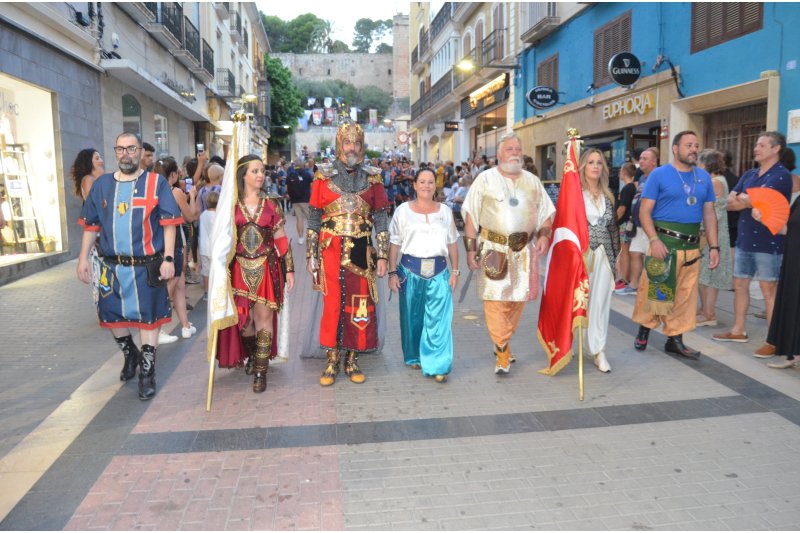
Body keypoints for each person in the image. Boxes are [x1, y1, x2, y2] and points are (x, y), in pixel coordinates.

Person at [76, 132, 183, 400]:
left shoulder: (156, 183)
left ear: (140, 152)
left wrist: (169, 258)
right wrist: (82, 259)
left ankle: (147, 371)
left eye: (131, 148)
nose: (126, 154)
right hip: (111, 266)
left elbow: (168, 223)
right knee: (111, 316)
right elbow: (91, 225)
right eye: (121, 149)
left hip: (147, 265)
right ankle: (131, 354)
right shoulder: (102, 185)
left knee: (148, 320)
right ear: (116, 152)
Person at [306, 119, 391, 386]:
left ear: (362, 145)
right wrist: (311, 255)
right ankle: (332, 359)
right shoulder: (323, 175)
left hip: (362, 250)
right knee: (332, 305)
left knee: (359, 304)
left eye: (356, 142)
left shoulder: (373, 176)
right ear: (339, 145)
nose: (352, 147)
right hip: (330, 249)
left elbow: (380, 218)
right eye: (347, 142)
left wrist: (384, 255)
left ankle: (352, 358)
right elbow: (314, 217)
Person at [462, 132, 555, 374]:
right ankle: (502, 351)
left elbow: (546, 212)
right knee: (495, 301)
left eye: (518, 149)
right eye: (509, 149)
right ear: (499, 154)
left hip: (524, 252)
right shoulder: (484, 180)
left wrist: (544, 234)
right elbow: (471, 215)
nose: (515, 152)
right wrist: (470, 250)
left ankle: (503, 341)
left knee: (517, 300)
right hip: (493, 249)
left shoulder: (532, 181)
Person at [633, 131, 719, 359]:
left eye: (696, 145)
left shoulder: (703, 177)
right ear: (675, 148)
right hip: (663, 244)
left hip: (691, 248)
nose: (694, 149)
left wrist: (714, 247)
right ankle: (645, 329)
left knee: (685, 296)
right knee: (658, 293)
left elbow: (709, 213)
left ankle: (675, 340)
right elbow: (645, 211)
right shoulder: (659, 175)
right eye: (689, 145)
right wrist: (654, 240)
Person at [215, 155, 295, 392]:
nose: (261, 175)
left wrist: (289, 269)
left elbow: (281, 239)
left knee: (264, 319)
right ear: (243, 176)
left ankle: (261, 370)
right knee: (243, 323)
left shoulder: (272, 205)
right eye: (255, 171)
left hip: (267, 269)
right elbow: (222, 240)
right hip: (238, 270)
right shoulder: (230, 206)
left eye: (262, 171)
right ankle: (253, 355)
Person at [713, 131, 793, 357]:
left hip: (770, 241)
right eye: (756, 144)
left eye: (761, 145)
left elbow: (756, 201)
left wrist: (745, 199)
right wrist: (746, 200)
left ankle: (775, 340)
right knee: (739, 284)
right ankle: (738, 329)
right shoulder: (750, 173)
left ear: (775, 149)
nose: (756, 148)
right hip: (746, 238)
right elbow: (730, 203)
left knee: (769, 290)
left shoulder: (781, 176)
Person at [388, 168, 459, 383]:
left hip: (439, 272)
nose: (426, 186)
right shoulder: (402, 211)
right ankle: (414, 356)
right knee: (412, 319)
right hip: (409, 272)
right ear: (415, 185)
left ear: (434, 185)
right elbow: (394, 244)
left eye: (430, 182)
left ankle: (438, 364)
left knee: (439, 320)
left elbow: (452, 242)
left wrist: (455, 271)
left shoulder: (445, 212)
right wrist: (392, 273)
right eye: (422, 182)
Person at [579, 149, 620, 373]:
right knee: (579, 302)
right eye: (591, 162)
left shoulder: (608, 195)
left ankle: (598, 348)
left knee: (600, 302)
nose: (595, 166)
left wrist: (616, 260)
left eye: (599, 163)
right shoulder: (574, 194)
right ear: (583, 166)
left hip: (604, 256)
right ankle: (572, 343)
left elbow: (613, 229)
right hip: (581, 256)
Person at [751, 200, 800, 369]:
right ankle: (794, 354)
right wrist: (762, 219)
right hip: (794, 262)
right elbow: (786, 229)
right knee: (793, 306)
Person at [155, 157, 198, 339]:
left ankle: (185, 325)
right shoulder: (175, 192)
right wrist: (193, 197)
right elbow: (191, 216)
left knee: (179, 285)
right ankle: (157, 329)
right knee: (169, 286)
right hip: (175, 242)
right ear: (172, 175)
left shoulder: (151, 191)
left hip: (157, 240)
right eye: (177, 173)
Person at [696, 149, 732, 327]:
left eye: (700, 162)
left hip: (713, 235)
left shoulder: (715, 182)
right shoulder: (715, 180)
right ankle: (705, 311)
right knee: (704, 275)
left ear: (707, 164)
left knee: (709, 276)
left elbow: (712, 212)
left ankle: (709, 314)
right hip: (710, 233)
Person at [619, 147, 660, 295]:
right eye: (640, 158)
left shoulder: (658, 177)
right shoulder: (642, 177)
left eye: (645, 159)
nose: (640, 161)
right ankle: (635, 285)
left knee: (646, 255)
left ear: (654, 162)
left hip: (649, 224)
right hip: (637, 223)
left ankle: (645, 286)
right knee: (635, 253)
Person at [70, 148, 105, 305]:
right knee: (100, 274)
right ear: (89, 162)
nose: (101, 160)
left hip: (100, 233)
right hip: (97, 234)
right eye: (97, 158)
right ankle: (101, 308)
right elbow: (98, 204)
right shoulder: (88, 179)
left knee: (103, 273)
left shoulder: (97, 178)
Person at [614, 162, 637, 292]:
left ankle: (624, 279)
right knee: (625, 252)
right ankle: (624, 279)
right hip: (628, 224)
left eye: (620, 171)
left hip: (623, 224)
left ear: (624, 172)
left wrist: (613, 222)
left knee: (624, 252)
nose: (619, 173)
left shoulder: (627, 188)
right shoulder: (632, 187)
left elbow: (622, 208)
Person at [198, 190, 219, 301]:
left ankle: (207, 292)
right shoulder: (219, 216)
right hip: (216, 249)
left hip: (204, 248)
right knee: (217, 271)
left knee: (206, 272)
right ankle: (217, 292)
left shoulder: (203, 215)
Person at [287, 159, 312, 245]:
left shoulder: (290, 174)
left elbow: (287, 188)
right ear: (302, 165)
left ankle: (300, 238)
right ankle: (312, 237)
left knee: (299, 219)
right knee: (310, 219)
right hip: (305, 200)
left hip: (295, 200)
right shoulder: (307, 174)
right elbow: (312, 186)